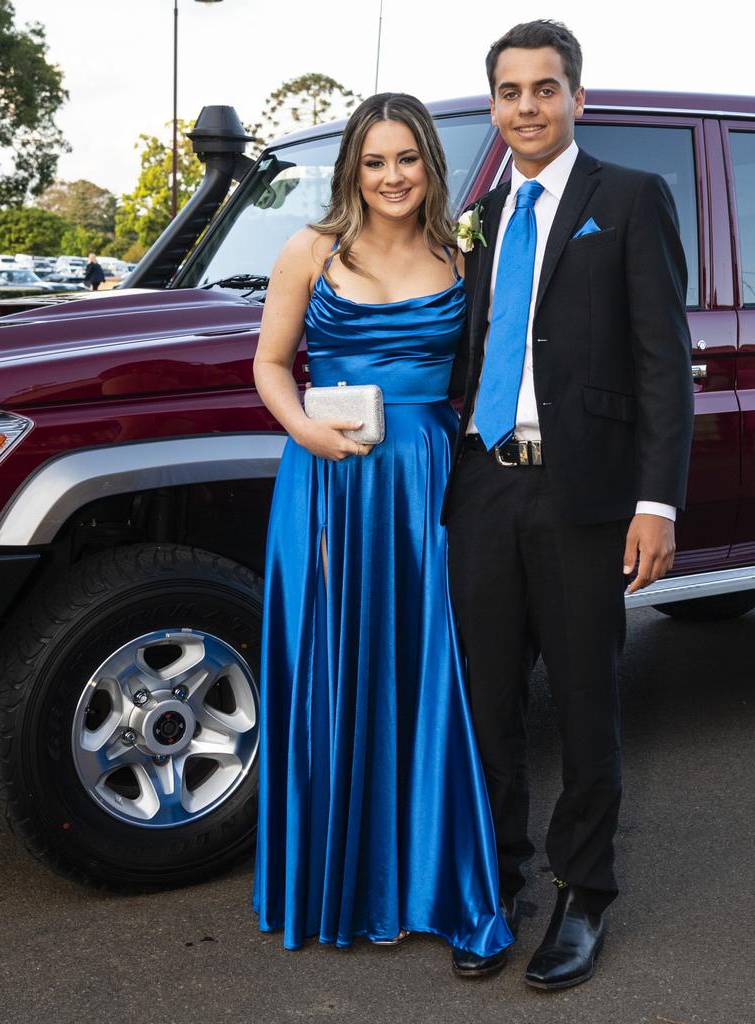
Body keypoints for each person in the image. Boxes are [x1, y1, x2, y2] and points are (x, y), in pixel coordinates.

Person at [443, 20, 694, 989]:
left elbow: (663, 365)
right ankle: (494, 885)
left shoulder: (628, 199)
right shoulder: (481, 218)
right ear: (494, 104)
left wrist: (656, 505)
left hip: (585, 495)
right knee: (488, 702)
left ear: (577, 98)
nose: (526, 108)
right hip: (484, 488)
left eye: (544, 90)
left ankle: (583, 890)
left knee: (587, 704)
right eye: (509, 92)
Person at [252, 93, 513, 965]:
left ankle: (431, 884)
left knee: (429, 671)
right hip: (328, 481)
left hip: (430, 484)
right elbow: (269, 363)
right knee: (335, 667)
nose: (392, 176)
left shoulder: (459, 251)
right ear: (352, 171)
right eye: (375, 161)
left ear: (431, 166)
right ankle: (341, 880)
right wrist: (302, 430)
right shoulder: (310, 250)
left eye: (408, 159)